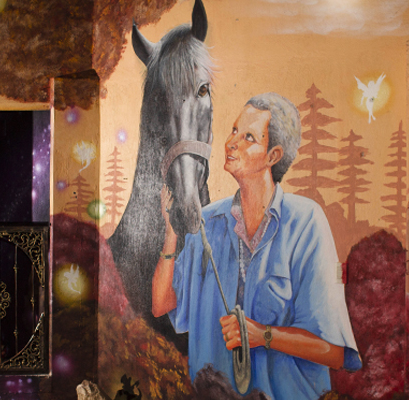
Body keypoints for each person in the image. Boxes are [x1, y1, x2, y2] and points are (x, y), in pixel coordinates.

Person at [152, 93, 361, 400]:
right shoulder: (206, 222)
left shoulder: (306, 222)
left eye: (248, 137)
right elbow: (162, 304)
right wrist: (171, 233)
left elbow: (334, 352)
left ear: (273, 156)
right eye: (234, 131)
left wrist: (263, 335)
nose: (231, 143)